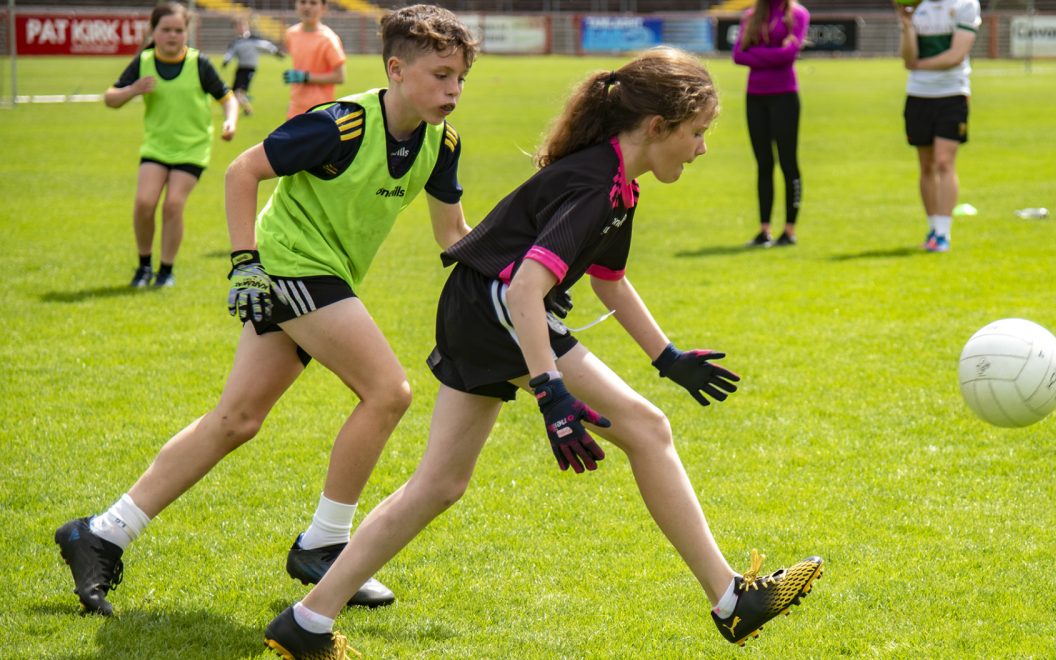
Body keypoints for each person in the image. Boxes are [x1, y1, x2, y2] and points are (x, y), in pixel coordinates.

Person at [262, 47, 824, 659]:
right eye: (697, 133)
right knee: (647, 428)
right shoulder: (594, 186)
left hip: (480, 306)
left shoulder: (618, 182)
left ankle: (307, 623)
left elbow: (609, 278)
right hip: (500, 310)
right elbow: (528, 287)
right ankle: (729, 600)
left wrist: (668, 357)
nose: (702, 148)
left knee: (439, 484)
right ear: (658, 128)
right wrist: (551, 389)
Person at [54, 4, 478, 618]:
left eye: (461, 77)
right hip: (290, 265)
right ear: (396, 69)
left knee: (237, 420)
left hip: (321, 274)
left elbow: (453, 233)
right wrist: (244, 263)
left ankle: (101, 532)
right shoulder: (340, 125)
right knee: (388, 392)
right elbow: (243, 169)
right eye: (441, 75)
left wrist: (524, 261)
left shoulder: (443, 143)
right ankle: (325, 545)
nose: (454, 89)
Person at [104, 1, 238, 288]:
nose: (173, 35)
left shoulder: (198, 63)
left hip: (193, 147)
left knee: (173, 204)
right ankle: (143, 267)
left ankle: (166, 271)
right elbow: (110, 98)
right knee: (144, 203)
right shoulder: (144, 62)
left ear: (186, 32)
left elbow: (228, 99)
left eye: (179, 30)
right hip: (157, 147)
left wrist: (231, 122)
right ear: (153, 31)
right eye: (166, 30)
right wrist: (132, 90)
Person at [895, 0, 981, 253]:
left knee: (944, 161)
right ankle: (933, 227)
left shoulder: (965, 4)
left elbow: (956, 56)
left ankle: (944, 233)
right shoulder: (915, 6)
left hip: (953, 93)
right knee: (926, 164)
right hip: (918, 95)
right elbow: (908, 57)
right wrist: (908, 25)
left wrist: (919, 66)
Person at [733, 0, 810, 248]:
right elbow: (737, 55)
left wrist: (755, 54)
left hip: (785, 96)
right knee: (764, 164)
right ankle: (764, 229)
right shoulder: (751, 15)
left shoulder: (797, 14)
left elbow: (789, 56)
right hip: (755, 97)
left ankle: (789, 230)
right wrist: (774, 54)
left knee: (788, 162)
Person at [283, 0, 346, 119]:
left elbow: (340, 76)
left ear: (323, 7)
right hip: (295, 109)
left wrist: (306, 77)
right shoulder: (291, 34)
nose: (307, 7)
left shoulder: (328, 40)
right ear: (296, 4)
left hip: (320, 110)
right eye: (303, 2)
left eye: (313, 3)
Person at [223, 14, 284, 116]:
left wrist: (276, 52)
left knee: (239, 92)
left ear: (247, 26)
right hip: (240, 69)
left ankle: (236, 112)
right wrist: (226, 60)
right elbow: (230, 53)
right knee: (234, 93)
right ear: (235, 29)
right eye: (238, 26)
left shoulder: (253, 39)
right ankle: (247, 110)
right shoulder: (236, 42)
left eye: (243, 25)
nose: (241, 28)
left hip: (250, 69)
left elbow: (265, 45)